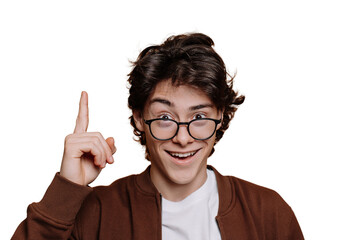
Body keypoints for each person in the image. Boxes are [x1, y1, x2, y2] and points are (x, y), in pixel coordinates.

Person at [12, 33, 304, 239]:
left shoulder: (268, 212)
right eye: (165, 118)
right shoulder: (97, 212)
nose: (183, 138)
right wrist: (67, 189)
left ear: (221, 118)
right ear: (139, 117)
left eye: (199, 117)